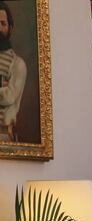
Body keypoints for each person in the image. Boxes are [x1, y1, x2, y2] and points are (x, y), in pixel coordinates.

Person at [0, 1, 27, 142]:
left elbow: (9, 96)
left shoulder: (18, 64)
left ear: (10, 27)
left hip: (3, 136)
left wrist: (5, 92)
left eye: (2, 24)